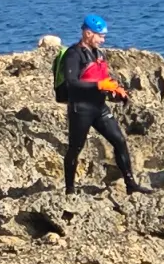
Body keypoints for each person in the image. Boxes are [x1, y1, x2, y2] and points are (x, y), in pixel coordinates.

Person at [59, 13, 142, 195]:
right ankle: (70, 191)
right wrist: (99, 85)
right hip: (80, 109)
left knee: (119, 141)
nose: (103, 40)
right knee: (75, 148)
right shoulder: (74, 54)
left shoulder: (98, 53)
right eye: (100, 36)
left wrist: (115, 90)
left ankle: (131, 185)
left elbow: (102, 77)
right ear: (88, 33)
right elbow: (71, 83)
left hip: (99, 107)